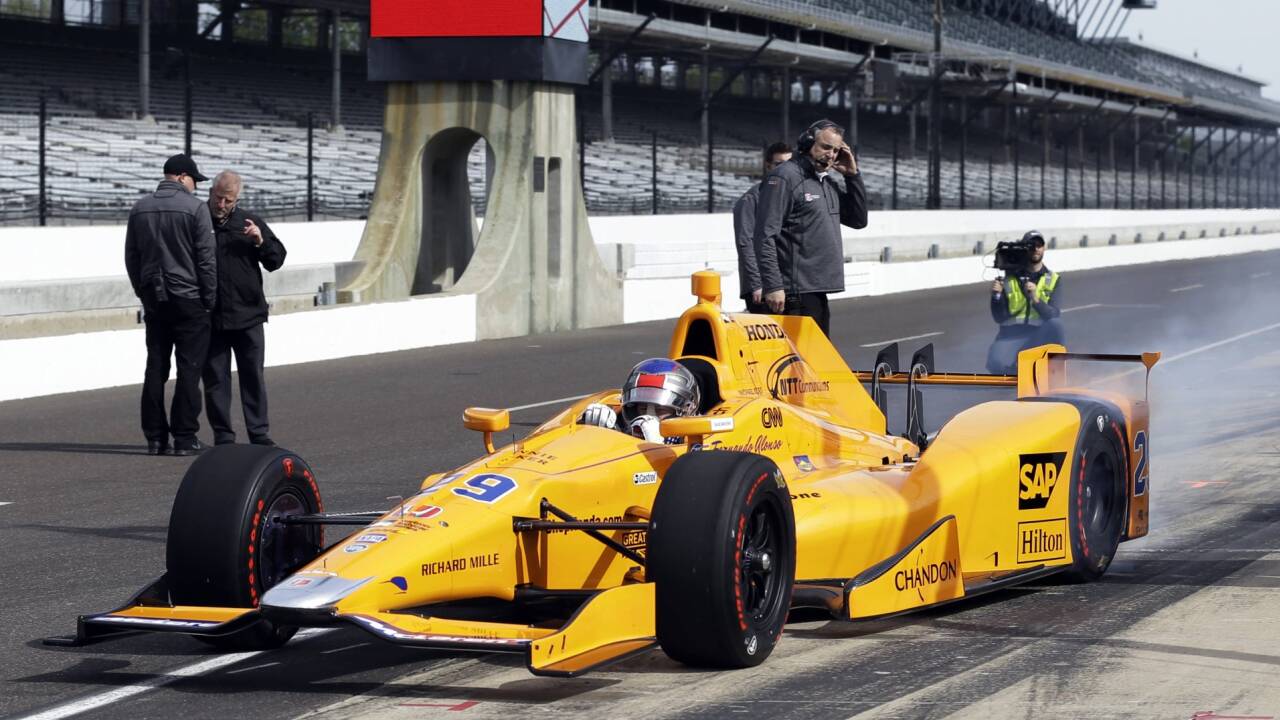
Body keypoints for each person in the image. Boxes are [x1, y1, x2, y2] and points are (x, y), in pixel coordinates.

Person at [124, 153, 216, 456]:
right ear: (180, 176)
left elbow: (132, 258)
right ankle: (185, 436)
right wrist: (209, 299)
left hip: (154, 296)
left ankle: (155, 438)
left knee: (156, 367)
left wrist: (143, 291)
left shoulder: (140, 209)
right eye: (193, 180)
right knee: (189, 368)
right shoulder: (195, 208)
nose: (195, 186)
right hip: (189, 297)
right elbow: (206, 259)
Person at [753, 119, 867, 337]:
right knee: (799, 363)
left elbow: (858, 220)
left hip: (816, 290)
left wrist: (853, 176)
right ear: (806, 143)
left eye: (836, 150)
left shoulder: (825, 181)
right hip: (794, 292)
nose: (831, 154)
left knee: (815, 363)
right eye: (826, 147)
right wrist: (774, 286)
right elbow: (765, 235)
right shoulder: (785, 177)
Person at [202, 170, 287, 446]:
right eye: (218, 197)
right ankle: (223, 435)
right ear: (211, 193)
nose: (221, 204)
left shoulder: (249, 221)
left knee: (253, 376)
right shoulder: (199, 219)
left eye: (228, 200)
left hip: (248, 315)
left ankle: (258, 432)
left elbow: (276, 259)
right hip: (212, 316)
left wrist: (260, 241)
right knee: (216, 379)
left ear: (236, 199)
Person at [985, 230, 1064, 374]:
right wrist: (996, 297)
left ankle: (1052, 369)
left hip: (1037, 336)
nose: (1035, 249)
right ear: (1024, 249)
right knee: (995, 365)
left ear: (1044, 247)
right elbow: (999, 317)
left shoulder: (1053, 279)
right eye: (1031, 245)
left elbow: (1053, 314)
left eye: (1039, 245)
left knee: (1056, 324)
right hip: (1011, 334)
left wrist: (1035, 298)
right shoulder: (1008, 279)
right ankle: (1017, 368)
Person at [579, 358, 700, 444]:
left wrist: (660, 448)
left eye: (660, 409)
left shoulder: (702, 439)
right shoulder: (623, 423)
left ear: (687, 409)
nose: (648, 415)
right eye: (642, 408)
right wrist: (597, 430)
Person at [734, 142, 792, 313]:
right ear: (768, 166)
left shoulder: (790, 196)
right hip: (762, 289)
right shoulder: (752, 198)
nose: (784, 170)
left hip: (784, 284)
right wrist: (757, 283)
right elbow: (745, 242)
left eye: (789, 164)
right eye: (779, 164)